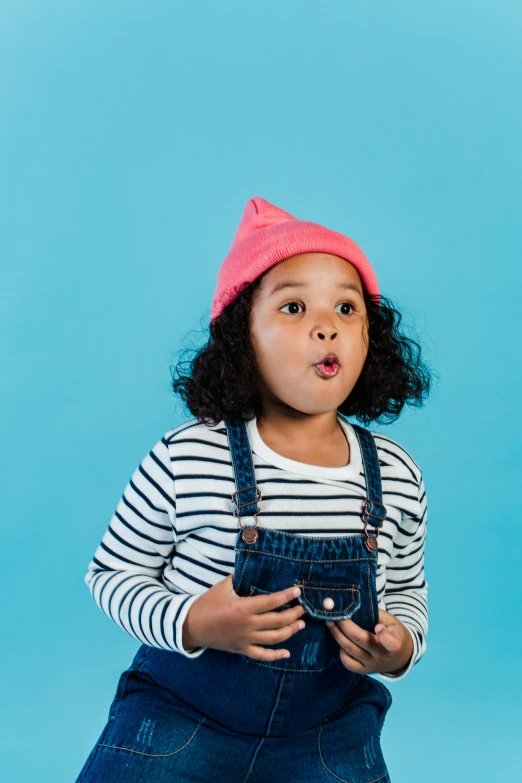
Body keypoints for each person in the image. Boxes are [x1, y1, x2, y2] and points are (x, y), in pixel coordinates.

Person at [75, 196, 433, 783]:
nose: (326, 326)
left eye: (347, 308)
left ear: (371, 339)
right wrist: (191, 622)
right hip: (180, 718)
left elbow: (409, 588)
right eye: (294, 306)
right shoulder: (187, 455)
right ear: (243, 337)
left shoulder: (394, 473)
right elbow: (110, 576)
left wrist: (399, 648)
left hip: (327, 735)